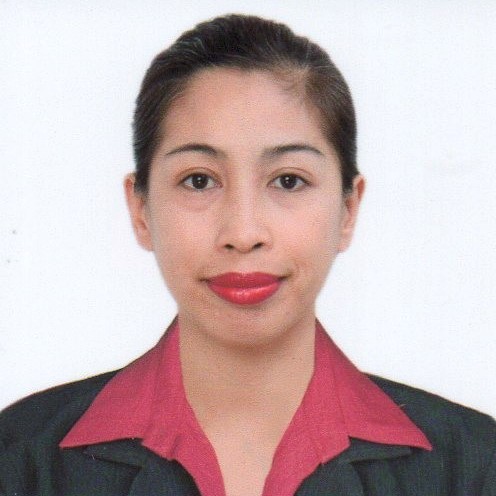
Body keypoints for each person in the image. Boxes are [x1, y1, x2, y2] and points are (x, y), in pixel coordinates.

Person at [0, 13, 494, 496]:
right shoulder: (21, 458)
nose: (242, 233)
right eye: (199, 181)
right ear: (141, 209)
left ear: (348, 209)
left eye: (288, 181)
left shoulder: (474, 466)